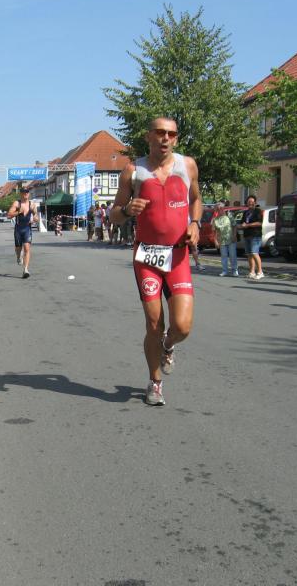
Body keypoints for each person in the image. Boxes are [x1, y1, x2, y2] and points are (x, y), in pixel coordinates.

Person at [110, 116, 202, 406]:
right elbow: (114, 214)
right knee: (153, 323)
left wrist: (195, 223)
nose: (165, 138)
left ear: (176, 138)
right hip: (147, 257)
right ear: (148, 136)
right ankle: (155, 382)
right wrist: (127, 210)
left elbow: (196, 199)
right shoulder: (133, 171)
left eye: (171, 134)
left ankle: (168, 345)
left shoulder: (187, 166)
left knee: (182, 326)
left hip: (177, 255)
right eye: (160, 132)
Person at [8, 187, 38, 278]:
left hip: (27, 229)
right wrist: (18, 212)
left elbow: (36, 216)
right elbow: (9, 215)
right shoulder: (17, 203)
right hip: (18, 229)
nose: (25, 194)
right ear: (20, 194)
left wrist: (35, 219)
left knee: (27, 248)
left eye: (27, 192)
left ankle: (25, 270)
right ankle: (18, 257)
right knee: (18, 248)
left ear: (29, 194)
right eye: (24, 192)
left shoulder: (32, 205)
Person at [240, 194, 264, 279]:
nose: (250, 203)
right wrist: (241, 225)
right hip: (247, 235)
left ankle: (260, 272)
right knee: (249, 254)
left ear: (255, 203)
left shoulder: (258, 211)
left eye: (252, 202)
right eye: (249, 202)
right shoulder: (246, 212)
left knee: (254, 253)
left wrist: (247, 225)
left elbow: (259, 223)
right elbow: (243, 222)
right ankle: (252, 272)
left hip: (255, 235)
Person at [211, 203, 238, 277]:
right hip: (222, 240)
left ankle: (235, 270)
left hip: (231, 239)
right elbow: (214, 231)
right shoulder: (215, 220)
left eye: (221, 208)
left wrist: (234, 235)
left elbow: (234, 226)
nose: (219, 210)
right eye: (217, 209)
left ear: (223, 208)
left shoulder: (229, 216)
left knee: (232, 255)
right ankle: (224, 271)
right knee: (224, 256)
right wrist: (215, 241)